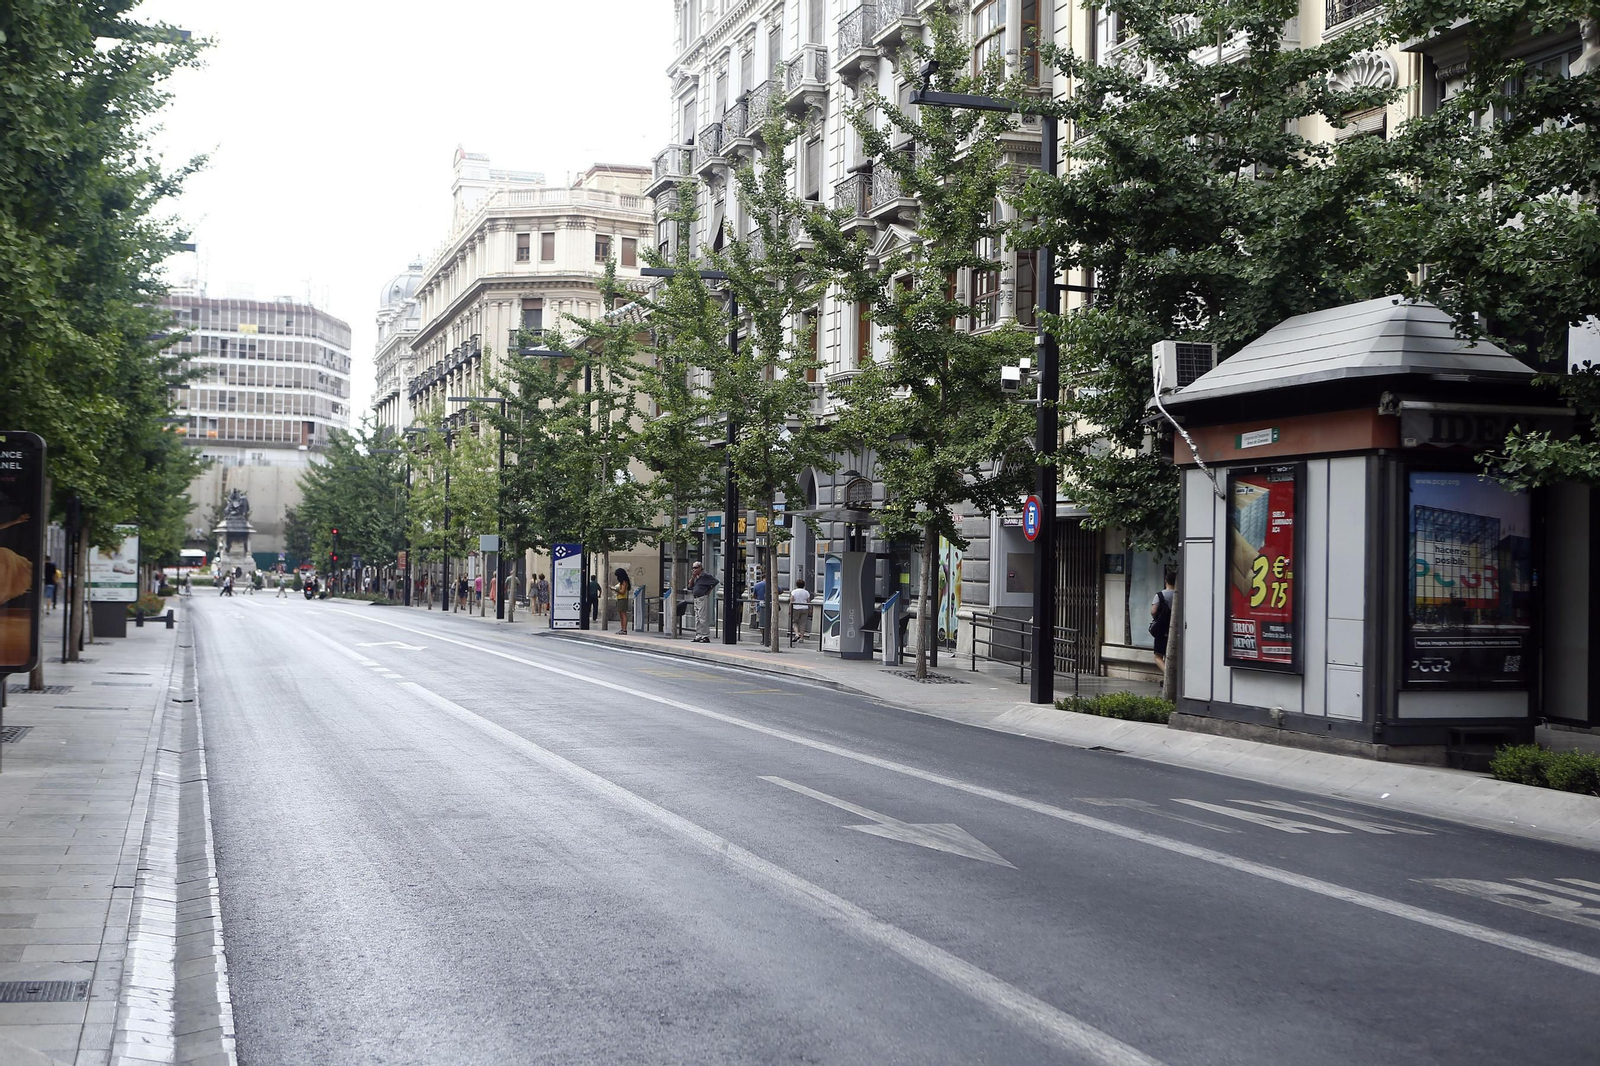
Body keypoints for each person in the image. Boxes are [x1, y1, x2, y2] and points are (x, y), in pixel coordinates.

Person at [1150, 569, 1176, 673]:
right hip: (1176, 631)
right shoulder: (1181, 594)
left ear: (1166, 581)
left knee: (1158, 656)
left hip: (1161, 630)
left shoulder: (1160, 595)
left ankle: (1168, 674)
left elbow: (1153, 611)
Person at [685, 561, 717, 643]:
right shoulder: (696, 577)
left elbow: (715, 582)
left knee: (703, 618)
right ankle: (698, 635)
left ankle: (705, 636)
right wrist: (693, 577)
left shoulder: (705, 575)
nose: (694, 570)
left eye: (695, 568)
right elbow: (689, 586)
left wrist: (709, 590)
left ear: (700, 568)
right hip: (696, 598)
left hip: (702, 597)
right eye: (693, 568)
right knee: (697, 618)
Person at [789, 578, 811, 643]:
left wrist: (790, 610)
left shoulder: (794, 592)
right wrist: (810, 609)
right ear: (804, 585)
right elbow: (809, 601)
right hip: (804, 608)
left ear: (796, 585)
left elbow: (791, 601)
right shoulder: (806, 592)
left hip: (796, 608)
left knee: (795, 622)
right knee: (803, 624)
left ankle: (796, 634)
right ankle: (801, 638)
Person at [612, 568, 632, 635]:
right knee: (621, 615)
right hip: (620, 598)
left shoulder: (624, 582)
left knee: (623, 615)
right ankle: (622, 629)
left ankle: (624, 630)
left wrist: (615, 589)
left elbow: (623, 591)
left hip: (622, 599)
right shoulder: (622, 582)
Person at [752, 569, 769, 643]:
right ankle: (768, 638)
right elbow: (781, 591)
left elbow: (754, 596)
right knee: (769, 622)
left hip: (760, 606)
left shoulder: (757, 585)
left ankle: (764, 638)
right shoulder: (772, 584)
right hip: (770, 606)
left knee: (761, 623)